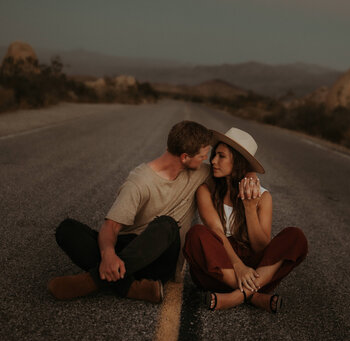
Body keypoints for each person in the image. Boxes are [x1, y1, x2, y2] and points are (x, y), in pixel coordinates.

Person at [48, 120, 215, 302]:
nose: (205, 161)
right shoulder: (139, 182)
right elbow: (111, 226)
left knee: (167, 224)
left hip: (158, 262)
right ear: (184, 157)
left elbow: (233, 170)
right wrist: (108, 254)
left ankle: (93, 281)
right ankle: (131, 287)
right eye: (202, 157)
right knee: (67, 229)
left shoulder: (200, 173)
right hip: (130, 250)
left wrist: (249, 177)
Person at [183, 127, 308, 312]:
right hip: (220, 266)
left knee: (295, 236)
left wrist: (250, 209)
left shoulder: (263, 197)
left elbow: (261, 247)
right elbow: (216, 231)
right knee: (196, 234)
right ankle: (254, 296)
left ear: (238, 162)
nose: (214, 161)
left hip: (255, 268)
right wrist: (237, 266)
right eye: (214, 155)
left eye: (221, 156)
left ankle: (236, 296)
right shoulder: (206, 190)